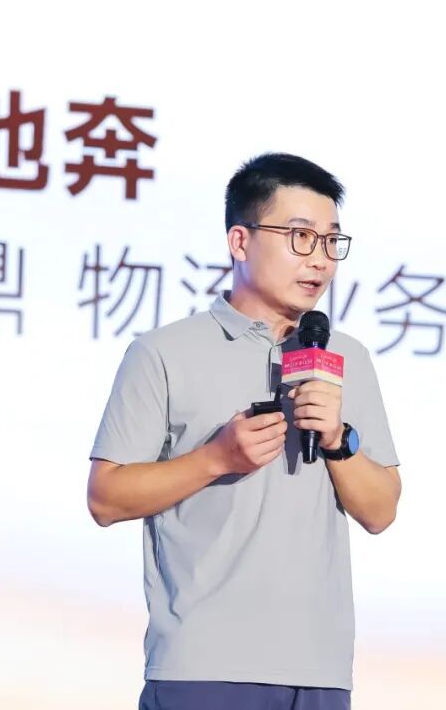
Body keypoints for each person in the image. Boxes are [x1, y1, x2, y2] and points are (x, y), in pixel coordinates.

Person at [87, 152, 402, 710]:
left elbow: (381, 511)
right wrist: (216, 459)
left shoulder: (346, 357)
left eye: (332, 241)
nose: (320, 260)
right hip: (205, 666)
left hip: (320, 670)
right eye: (300, 237)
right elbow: (105, 498)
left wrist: (337, 441)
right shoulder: (163, 352)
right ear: (240, 240)